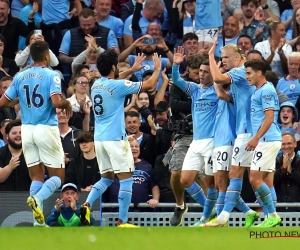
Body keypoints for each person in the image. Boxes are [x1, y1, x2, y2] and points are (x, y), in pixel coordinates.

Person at [79, 49, 161, 228]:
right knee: (126, 179)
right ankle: (122, 221)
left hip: (99, 139)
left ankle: (86, 204)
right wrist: (157, 69)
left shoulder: (96, 85)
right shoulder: (117, 86)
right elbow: (149, 85)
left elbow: (116, 78)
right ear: (114, 67)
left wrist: (131, 70)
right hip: (115, 139)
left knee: (107, 178)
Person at [0, 41, 73, 226]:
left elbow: (4, 101)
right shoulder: (52, 75)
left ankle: (37, 223)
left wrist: (21, 100)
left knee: (37, 176)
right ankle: (38, 198)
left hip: (27, 129)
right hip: (45, 128)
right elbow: (56, 102)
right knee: (58, 177)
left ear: (31, 56)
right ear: (47, 56)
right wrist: (67, 103)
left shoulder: (20, 76)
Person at [203, 41, 258, 227]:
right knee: (245, 176)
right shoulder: (239, 80)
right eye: (221, 57)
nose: (223, 60)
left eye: (226, 57)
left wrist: (211, 57)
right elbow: (223, 96)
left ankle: (225, 217)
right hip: (245, 131)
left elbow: (218, 78)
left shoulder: (240, 71)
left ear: (239, 58)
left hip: (249, 131)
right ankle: (248, 213)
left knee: (251, 177)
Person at [172, 47, 219, 226]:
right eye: (199, 71)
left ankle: (207, 218)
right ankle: (211, 210)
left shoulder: (218, 90)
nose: (201, 75)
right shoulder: (195, 90)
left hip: (212, 142)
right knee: (185, 180)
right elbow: (176, 80)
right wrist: (176, 65)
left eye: (206, 72)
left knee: (211, 182)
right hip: (196, 142)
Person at [244, 59, 282, 227]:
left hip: (267, 140)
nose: (247, 77)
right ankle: (269, 217)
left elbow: (269, 118)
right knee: (265, 180)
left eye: (249, 73)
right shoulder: (258, 90)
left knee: (254, 178)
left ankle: (272, 215)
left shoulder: (266, 90)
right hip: (268, 140)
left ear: (259, 72)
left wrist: (256, 138)